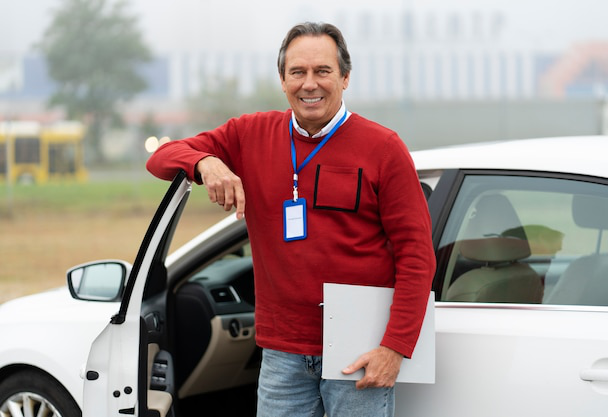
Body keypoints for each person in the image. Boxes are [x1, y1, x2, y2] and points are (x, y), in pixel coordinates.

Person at [147, 21, 436, 417]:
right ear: (282, 80)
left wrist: (395, 346)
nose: (309, 84)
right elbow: (160, 158)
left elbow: (417, 255)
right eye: (297, 72)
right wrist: (207, 162)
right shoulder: (249, 134)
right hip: (282, 353)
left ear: (345, 77)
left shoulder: (383, 148)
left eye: (323, 71)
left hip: (360, 348)